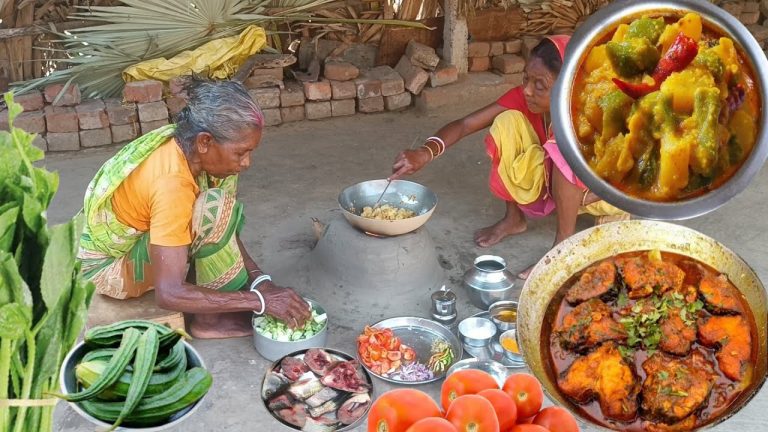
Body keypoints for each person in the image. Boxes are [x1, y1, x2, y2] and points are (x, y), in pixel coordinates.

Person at [78, 78, 311, 339]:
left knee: (217, 208)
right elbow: (169, 293)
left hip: (133, 243)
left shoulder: (188, 150)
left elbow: (226, 230)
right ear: (204, 142)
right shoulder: (172, 184)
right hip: (110, 270)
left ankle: (215, 305)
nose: (247, 163)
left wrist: (259, 281)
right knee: (214, 207)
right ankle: (210, 322)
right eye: (241, 153)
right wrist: (258, 301)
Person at [390, 35, 628, 279]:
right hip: (560, 184)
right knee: (507, 123)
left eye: (539, 85)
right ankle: (514, 219)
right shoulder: (526, 98)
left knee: (564, 150)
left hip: (605, 191)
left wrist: (588, 192)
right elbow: (465, 124)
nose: (526, 90)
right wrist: (424, 153)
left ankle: (561, 250)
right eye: (526, 78)